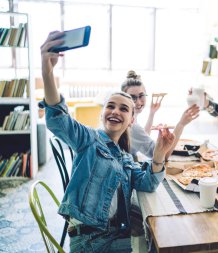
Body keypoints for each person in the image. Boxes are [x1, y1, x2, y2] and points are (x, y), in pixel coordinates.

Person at [40, 31, 175, 253]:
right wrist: (47, 70)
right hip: (92, 242)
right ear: (103, 113)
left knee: (160, 240)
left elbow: (148, 183)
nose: (115, 111)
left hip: (115, 233)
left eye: (124, 108)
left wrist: (159, 155)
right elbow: (57, 119)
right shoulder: (89, 140)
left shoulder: (123, 156)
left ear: (131, 120)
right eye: (110, 106)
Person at [121, 70, 200, 159]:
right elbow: (162, 156)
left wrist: (152, 113)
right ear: (123, 98)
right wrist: (181, 124)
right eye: (132, 97)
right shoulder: (130, 125)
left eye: (141, 95)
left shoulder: (129, 116)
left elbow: (143, 136)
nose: (138, 102)